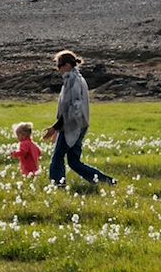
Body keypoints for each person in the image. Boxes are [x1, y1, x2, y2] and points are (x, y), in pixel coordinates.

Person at [43, 50, 116, 187]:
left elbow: (72, 109)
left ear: (67, 65)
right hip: (79, 124)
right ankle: (107, 181)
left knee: (58, 158)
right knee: (74, 162)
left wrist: (56, 128)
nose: (58, 69)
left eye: (59, 65)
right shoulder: (76, 79)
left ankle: (57, 184)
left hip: (72, 125)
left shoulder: (73, 81)